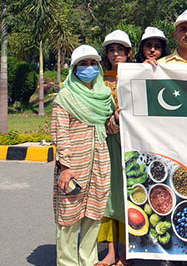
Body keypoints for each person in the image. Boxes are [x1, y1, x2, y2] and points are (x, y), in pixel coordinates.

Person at [52, 45, 118, 266]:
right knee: (69, 217)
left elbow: (108, 127)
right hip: (73, 164)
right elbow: (60, 133)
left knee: (94, 214)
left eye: (92, 64)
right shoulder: (66, 95)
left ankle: (88, 260)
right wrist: (65, 167)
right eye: (83, 64)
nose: (89, 68)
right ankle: (68, 263)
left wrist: (116, 119)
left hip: (100, 160)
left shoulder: (104, 95)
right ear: (74, 69)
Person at [96, 31, 132, 266]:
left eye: (120, 49)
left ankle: (127, 251)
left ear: (129, 53)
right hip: (108, 143)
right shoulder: (100, 81)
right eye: (111, 50)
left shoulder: (137, 75)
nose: (116, 53)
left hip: (134, 144)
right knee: (110, 197)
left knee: (130, 195)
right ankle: (111, 251)